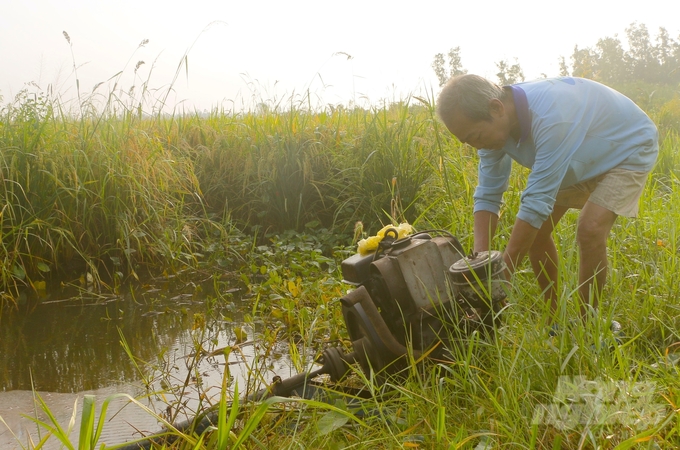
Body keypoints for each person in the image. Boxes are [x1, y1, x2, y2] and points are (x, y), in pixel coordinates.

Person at [436, 75, 658, 325]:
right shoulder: (495, 129)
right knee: (537, 235)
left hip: (627, 148)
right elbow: (488, 193)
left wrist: (503, 276)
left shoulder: (552, 115)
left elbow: (536, 202)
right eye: (468, 141)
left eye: (475, 136)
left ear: (496, 108)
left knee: (590, 229)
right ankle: (555, 321)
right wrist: (480, 265)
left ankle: (588, 326)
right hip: (579, 154)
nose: (476, 147)